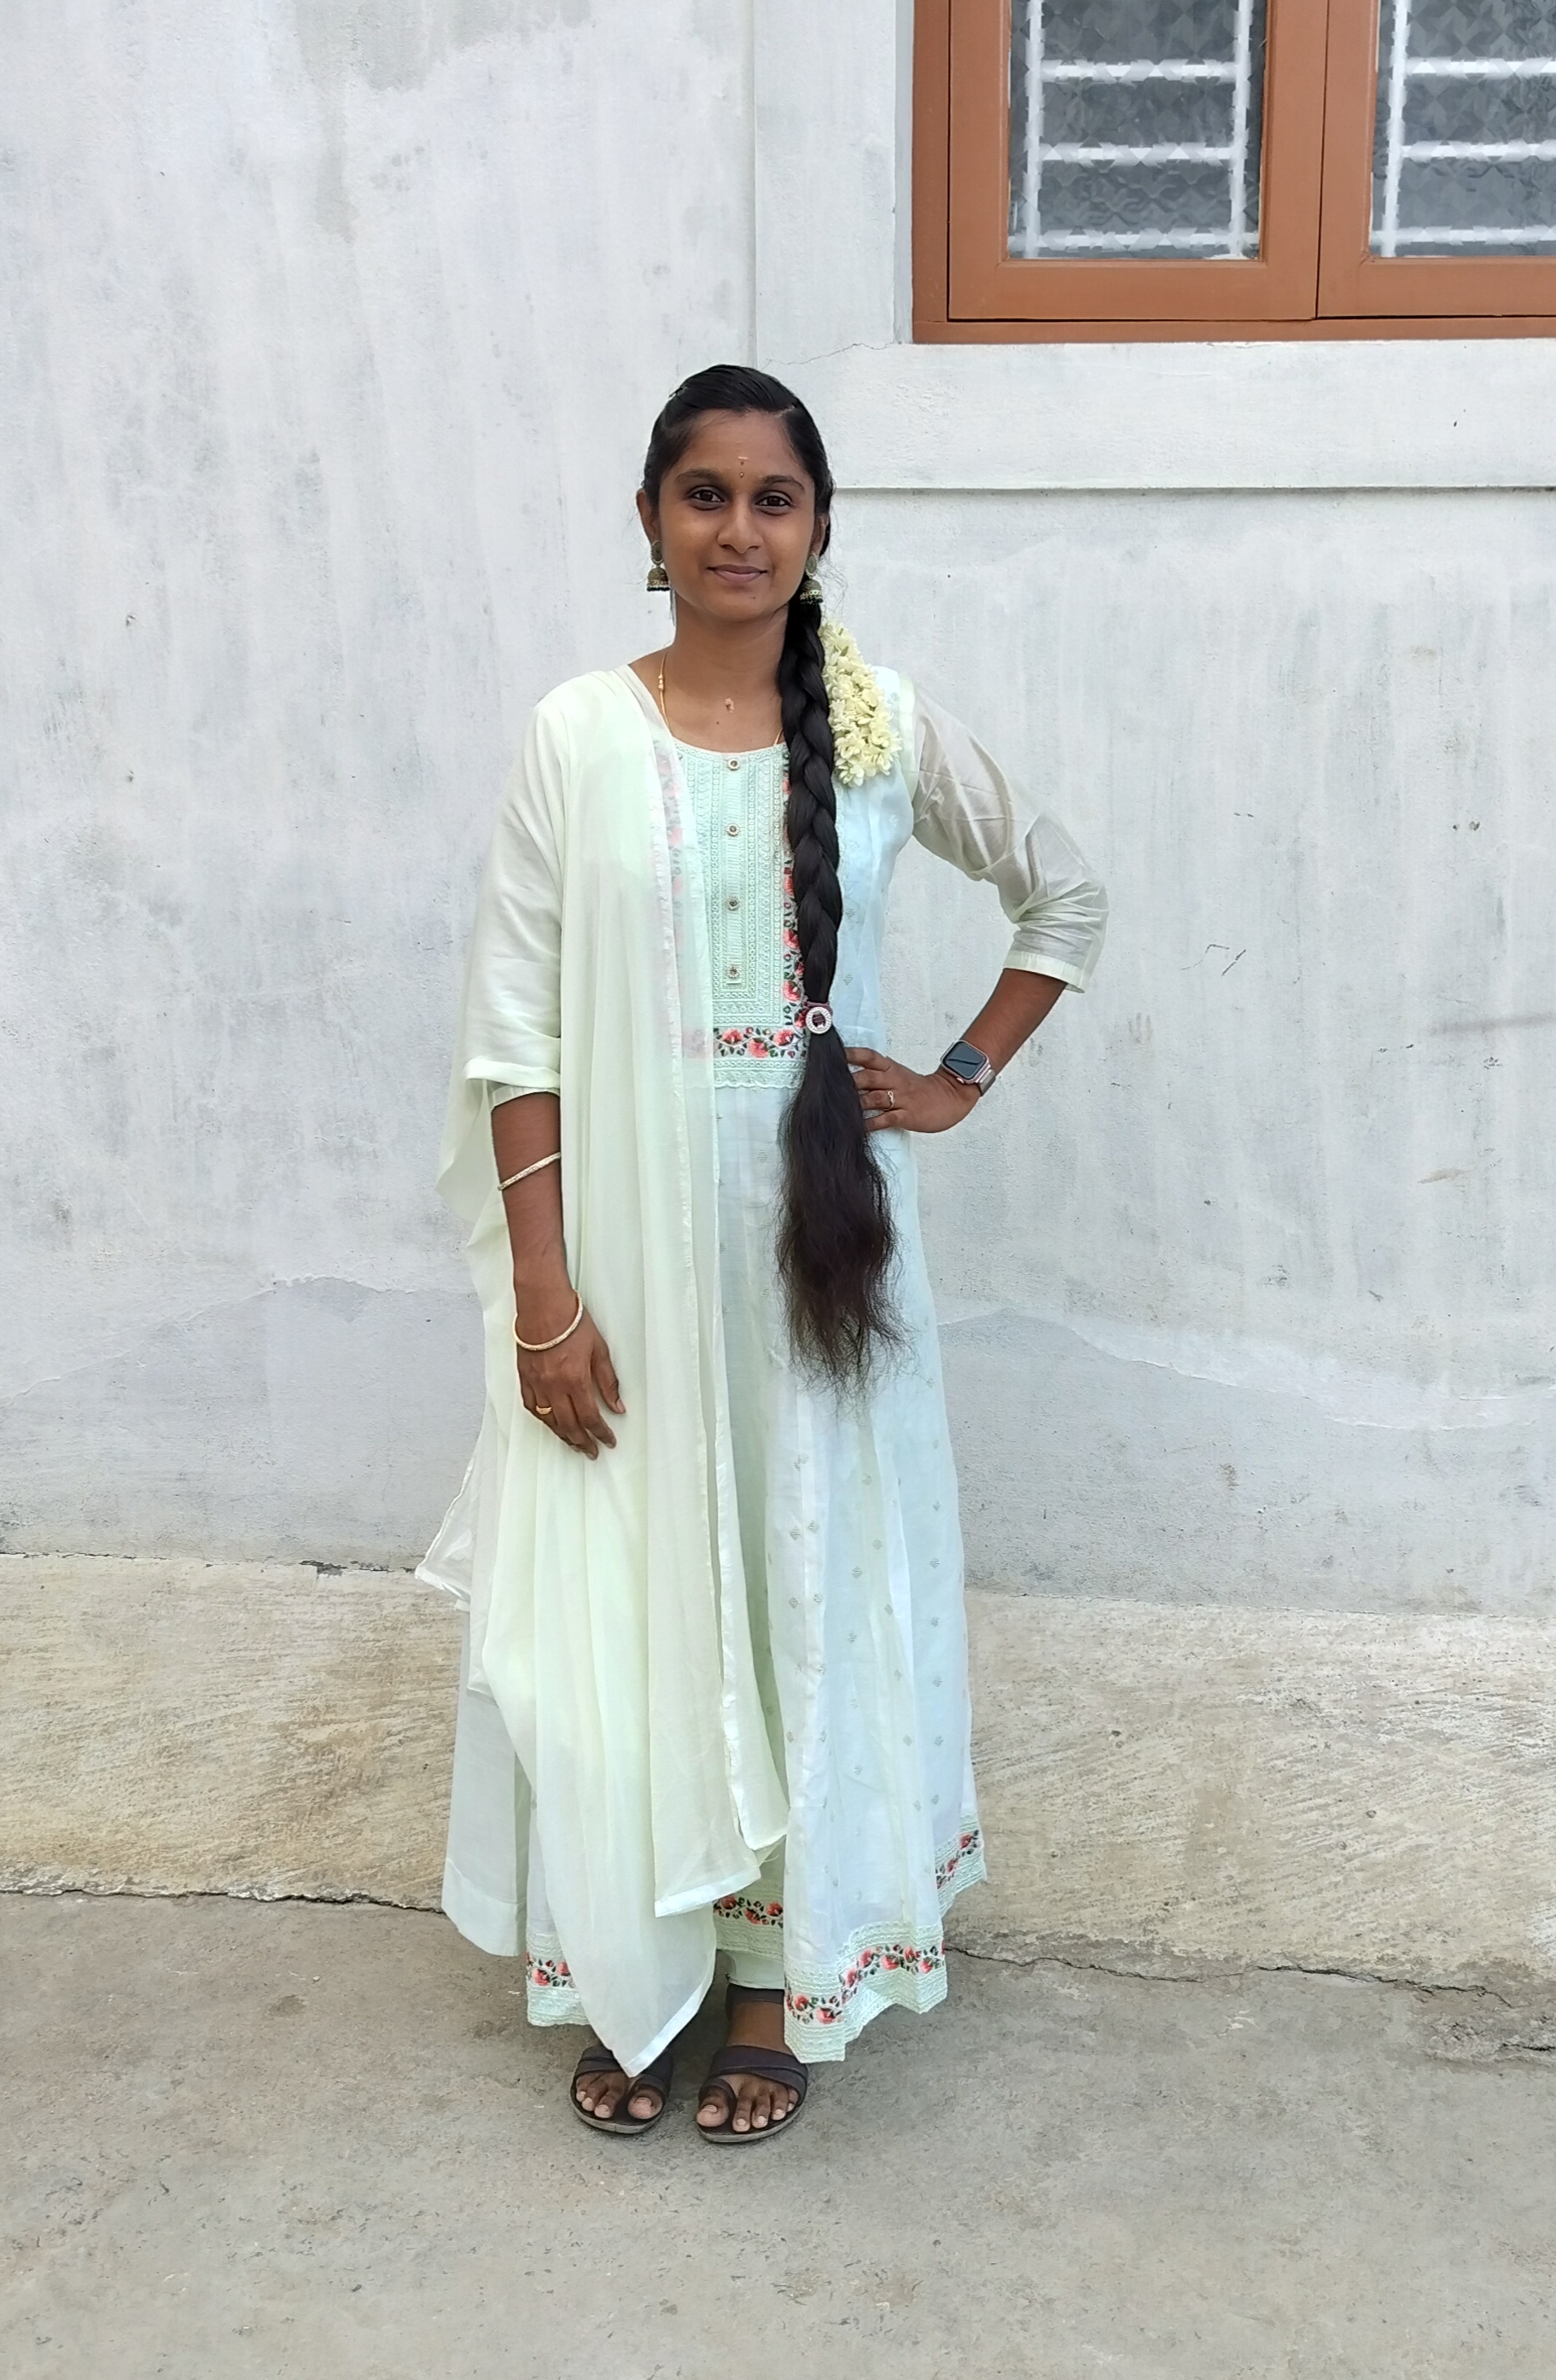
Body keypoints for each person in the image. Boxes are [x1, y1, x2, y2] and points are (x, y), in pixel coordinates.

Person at [421, 365, 1106, 2144]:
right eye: (705, 494)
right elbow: (514, 1036)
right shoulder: (579, 734)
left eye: (773, 498)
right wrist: (544, 1298)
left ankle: (766, 1980)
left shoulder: (873, 726)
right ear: (651, 519)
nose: (739, 529)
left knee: (800, 1587)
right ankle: (631, 1963)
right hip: (625, 1273)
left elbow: (1064, 895)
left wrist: (956, 1077)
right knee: (625, 1601)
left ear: (817, 526)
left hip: (821, 1269)